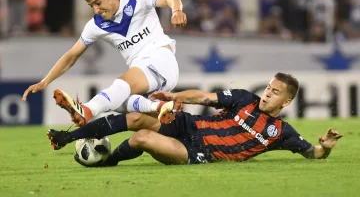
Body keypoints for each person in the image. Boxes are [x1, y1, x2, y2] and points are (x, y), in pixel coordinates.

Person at [47, 73, 343, 166]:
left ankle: (106, 161)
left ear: (286, 101)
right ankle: (67, 137)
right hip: (189, 125)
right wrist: (173, 97)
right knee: (137, 116)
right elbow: (203, 97)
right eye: (268, 88)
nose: (267, 94)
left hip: (199, 152)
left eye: (275, 92)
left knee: (141, 139)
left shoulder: (281, 131)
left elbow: (313, 154)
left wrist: (326, 146)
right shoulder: (243, 97)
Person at [22, 0, 187, 126]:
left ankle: (86, 110)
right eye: (91, 6)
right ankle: (160, 107)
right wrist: (45, 82)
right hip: (144, 74)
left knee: (120, 86)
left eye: (98, 3)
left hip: (162, 60)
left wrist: (176, 11)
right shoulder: (95, 25)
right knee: (118, 102)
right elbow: (71, 56)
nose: (96, 10)